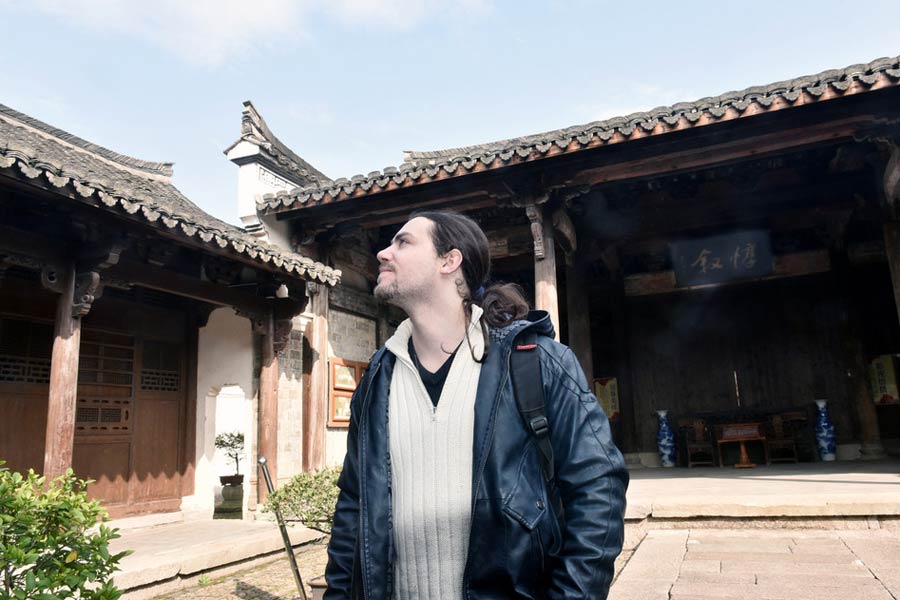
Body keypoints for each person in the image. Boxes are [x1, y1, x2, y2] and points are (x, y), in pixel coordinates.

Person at [324, 211, 628, 600]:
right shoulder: (377, 379)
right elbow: (353, 505)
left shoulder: (536, 361)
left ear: (450, 261)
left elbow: (597, 487)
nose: (383, 253)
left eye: (403, 242)